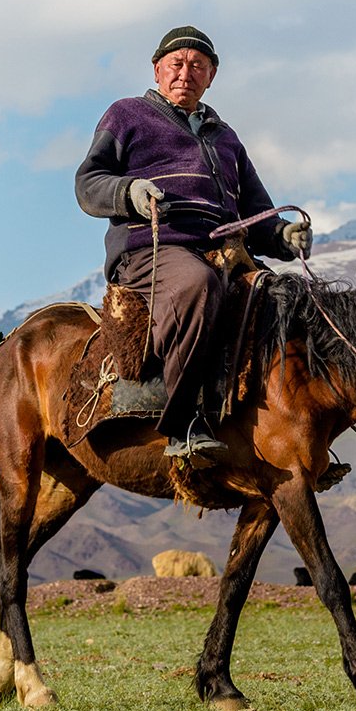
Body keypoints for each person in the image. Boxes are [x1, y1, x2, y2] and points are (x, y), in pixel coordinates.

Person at [75, 25, 311, 466]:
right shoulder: (126, 115)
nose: (186, 72)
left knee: (291, 304)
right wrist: (129, 193)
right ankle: (182, 422)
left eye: (197, 66)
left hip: (224, 248)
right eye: (177, 64)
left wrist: (282, 236)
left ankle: (295, 438)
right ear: (158, 69)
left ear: (212, 76)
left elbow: (256, 214)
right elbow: (88, 183)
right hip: (152, 247)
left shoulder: (226, 138)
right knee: (197, 285)